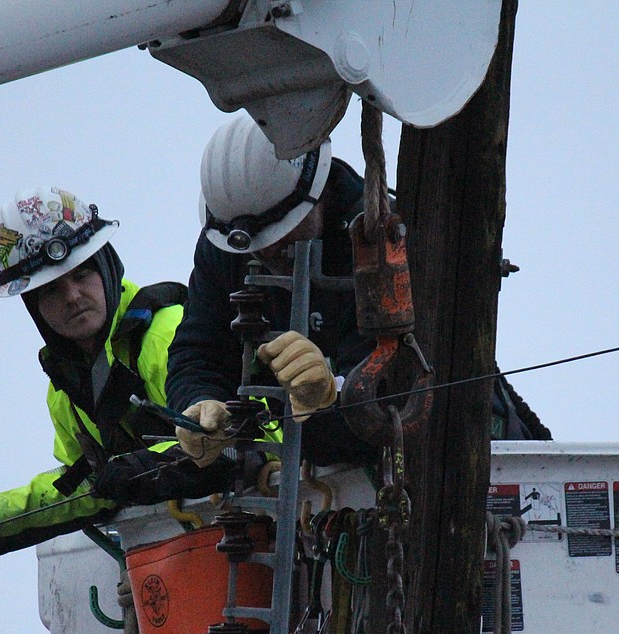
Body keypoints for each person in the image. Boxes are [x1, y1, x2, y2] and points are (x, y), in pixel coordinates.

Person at [166, 116, 550, 468]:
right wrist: (198, 403)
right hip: (339, 470)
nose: (267, 251)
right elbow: (200, 350)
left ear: (318, 193)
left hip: (464, 456)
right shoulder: (229, 243)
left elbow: (410, 397)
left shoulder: (383, 245)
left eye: (282, 230)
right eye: (253, 243)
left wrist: (334, 392)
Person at [0, 186, 232, 557]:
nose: (72, 296)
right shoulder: (65, 392)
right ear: (33, 308)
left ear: (106, 266)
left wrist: (147, 467)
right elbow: (85, 486)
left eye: (82, 274)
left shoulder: (167, 335)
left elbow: (238, 436)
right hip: (183, 559)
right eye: (51, 290)